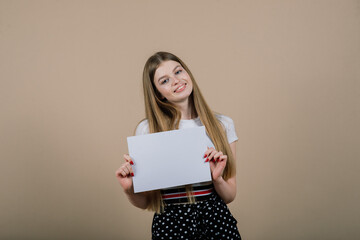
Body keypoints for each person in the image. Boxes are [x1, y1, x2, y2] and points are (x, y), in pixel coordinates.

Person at [115, 51, 241, 240]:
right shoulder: (148, 129)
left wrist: (217, 179)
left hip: (217, 220)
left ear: (188, 74)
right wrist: (129, 189)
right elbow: (146, 202)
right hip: (170, 223)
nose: (176, 81)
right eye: (164, 81)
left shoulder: (223, 124)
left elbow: (230, 195)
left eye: (178, 71)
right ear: (158, 94)